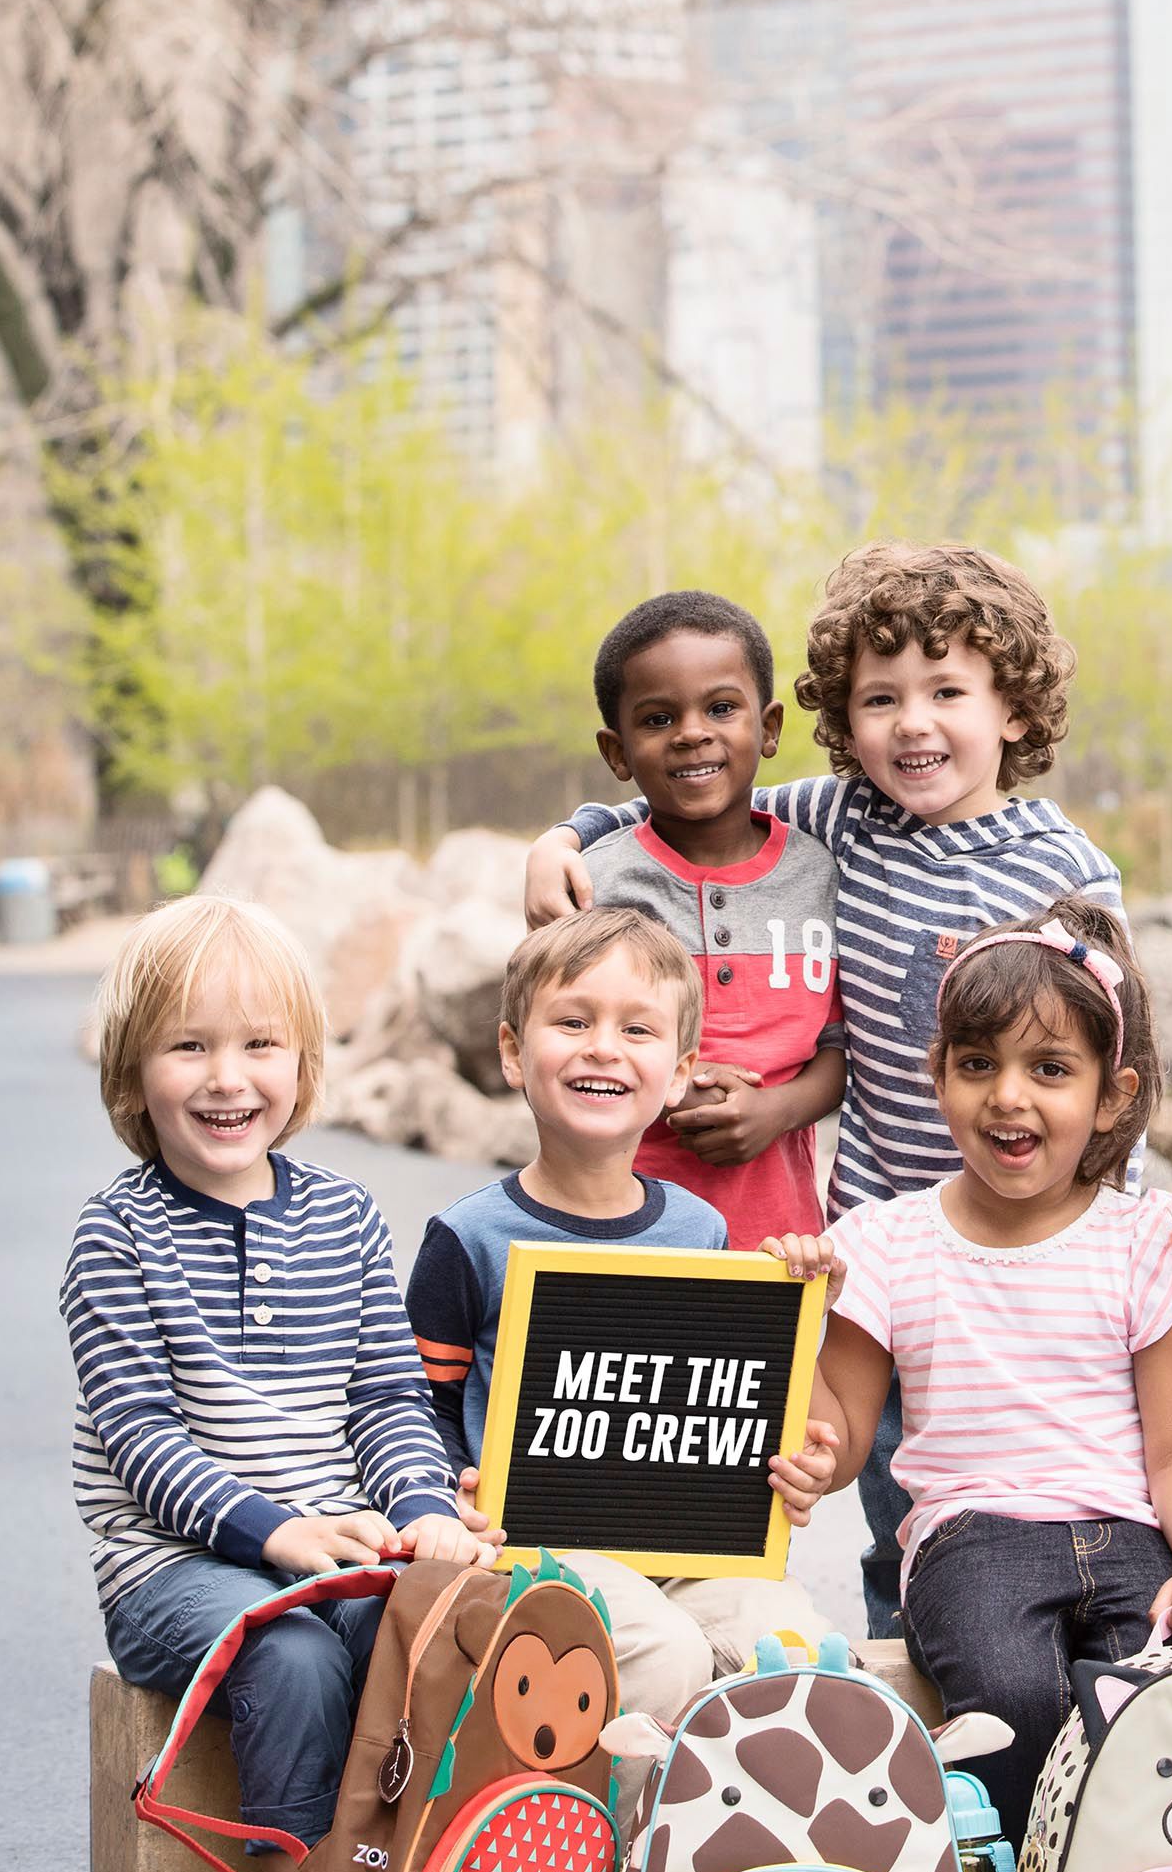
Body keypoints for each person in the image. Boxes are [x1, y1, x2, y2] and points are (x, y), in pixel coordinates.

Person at [525, 543, 1128, 1642]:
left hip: (1016, 1245)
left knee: (1012, 1476)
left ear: (1014, 709)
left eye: (948, 693)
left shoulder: (1064, 869)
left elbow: (1107, 1064)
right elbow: (692, 796)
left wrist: (1107, 1225)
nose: (912, 726)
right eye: (878, 700)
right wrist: (566, 834)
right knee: (890, 1485)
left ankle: (1045, 1655)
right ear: (839, 724)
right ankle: (911, 1699)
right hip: (874, 1242)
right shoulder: (844, 817)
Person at [64, 895, 499, 1872]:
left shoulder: (348, 1221)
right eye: (189, 1046)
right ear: (134, 1070)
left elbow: (385, 1406)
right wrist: (278, 1532)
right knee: (299, 1654)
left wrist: (422, 1509)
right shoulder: (116, 1238)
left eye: (259, 1046)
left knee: (412, 1638)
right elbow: (140, 1440)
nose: (226, 1079)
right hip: (170, 1566)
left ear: (305, 1067)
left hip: (328, 1542)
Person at [764, 898, 1172, 1847]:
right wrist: (799, 1315)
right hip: (969, 1538)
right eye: (978, 1065)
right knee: (1014, 1690)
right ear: (938, 1078)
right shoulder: (887, 1242)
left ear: (1112, 1095)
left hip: (1125, 1532)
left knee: (1152, 1699)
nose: (1009, 1096)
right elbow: (839, 1435)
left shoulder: (1144, 1240)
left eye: (1050, 1070)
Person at [405, 906, 824, 1722]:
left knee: (793, 1649)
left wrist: (782, 1467)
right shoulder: (468, 1238)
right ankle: (619, 1851)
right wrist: (439, 1495)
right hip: (533, 1549)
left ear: (678, 1072)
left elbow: (715, 1406)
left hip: (682, 1544)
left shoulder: (701, 1230)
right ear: (512, 1053)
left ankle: (749, 1848)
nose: (603, 1046)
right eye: (572, 1021)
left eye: (638, 1029)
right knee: (661, 1657)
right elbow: (415, 1402)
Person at [578, 589, 845, 1249]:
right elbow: (555, 1050)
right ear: (617, 753)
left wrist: (776, 1111)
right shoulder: (594, 884)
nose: (693, 732)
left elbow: (841, 1050)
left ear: (771, 726)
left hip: (779, 1243)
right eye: (658, 718)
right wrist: (664, 1090)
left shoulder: (821, 876)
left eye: (722, 708)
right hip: (616, 1237)